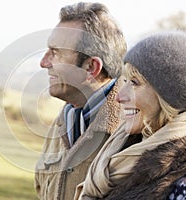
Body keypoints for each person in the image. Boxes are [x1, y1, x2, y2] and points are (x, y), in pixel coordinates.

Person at [75, 30, 186, 199]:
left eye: (135, 83)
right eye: (125, 81)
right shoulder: (120, 153)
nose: (119, 97)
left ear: (168, 98)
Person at [34, 2, 127, 200]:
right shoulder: (61, 124)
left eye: (56, 52)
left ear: (91, 67)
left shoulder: (132, 130)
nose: (43, 62)